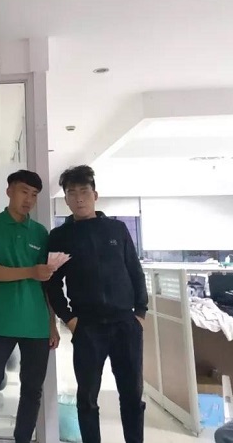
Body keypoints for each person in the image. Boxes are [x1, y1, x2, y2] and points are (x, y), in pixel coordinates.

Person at [46, 165, 148, 443]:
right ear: (66, 199)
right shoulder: (60, 237)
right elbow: (51, 283)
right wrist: (69, 319)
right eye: (72, 193)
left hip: (125, 324)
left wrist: (140, 312)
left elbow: (134, 270)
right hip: (87, 327)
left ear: (95, 195)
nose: (79, 198)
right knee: (87, 397)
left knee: (132, 395)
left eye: (84, 191)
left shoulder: (117, 229)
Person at [0, 169, 60, 443]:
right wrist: (31, 271)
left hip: (36, 324)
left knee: (32, 390)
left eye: (34, 195)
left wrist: (52, 323)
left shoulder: (40, 233)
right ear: (9, 191)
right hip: (0, 322)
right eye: (23, 192)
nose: (28, 199)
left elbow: (47, 283)